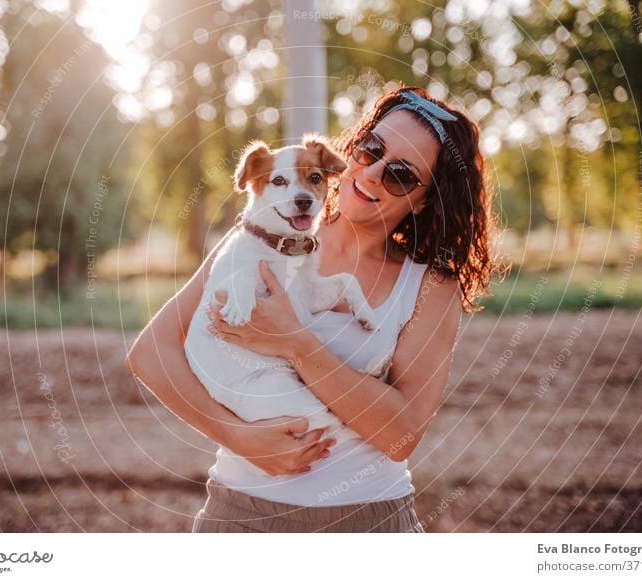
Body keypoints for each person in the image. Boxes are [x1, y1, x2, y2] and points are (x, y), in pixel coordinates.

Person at [126, 85, 504, 532]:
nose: (370, 173)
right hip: (241, 519)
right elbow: (150, 354)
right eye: (371, 149)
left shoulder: (428, 286)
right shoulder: (261, 238)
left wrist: (296, 343)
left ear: (424, 199)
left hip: (369, 526)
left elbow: (401, 435)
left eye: (400, 174)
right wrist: (237, 436)